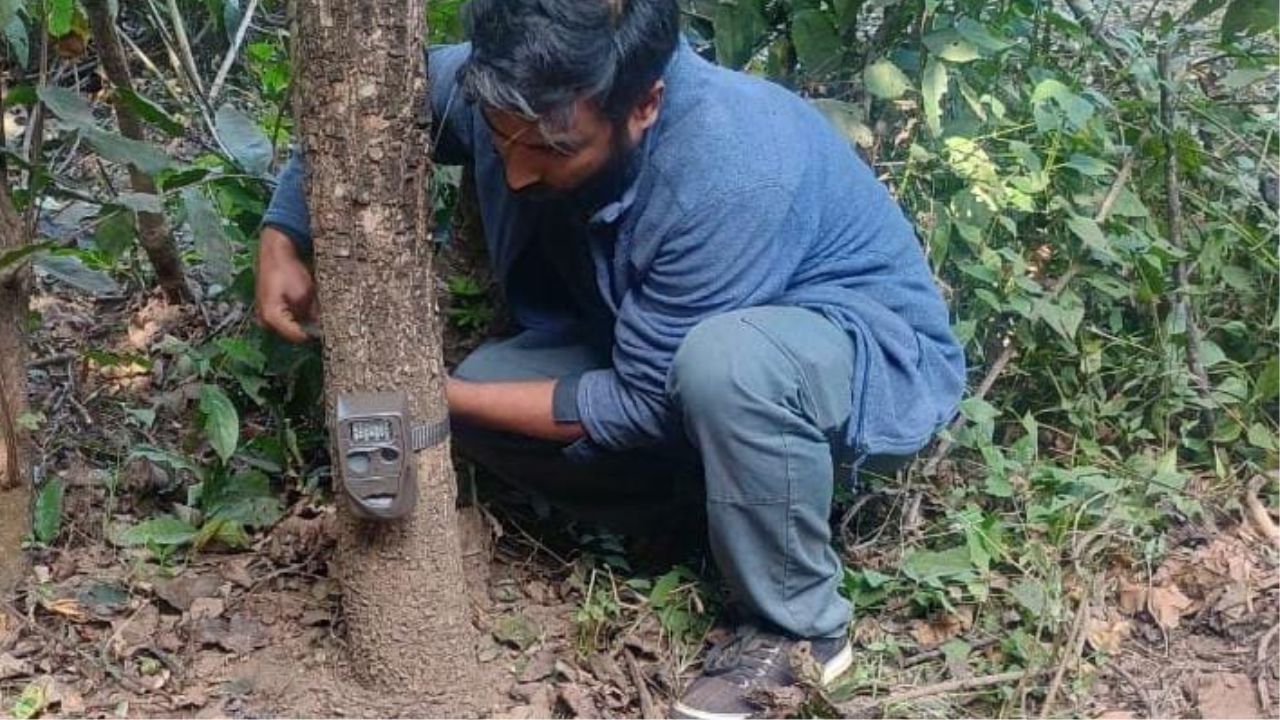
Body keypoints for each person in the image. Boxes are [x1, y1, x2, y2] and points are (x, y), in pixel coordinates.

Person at [255, 0, 965, 715]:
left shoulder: (732, 167)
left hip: (852, 361)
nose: (521, 171)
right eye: (504, 139)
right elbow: (360, 104)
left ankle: (800, 629)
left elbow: (645, 402)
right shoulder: (511, 85)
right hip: (657, 343)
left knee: (726, 366)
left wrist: (433, 399)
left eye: (556, 150)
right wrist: (284, 231)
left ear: (645, 105)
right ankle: (705, 506)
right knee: (489, 392)